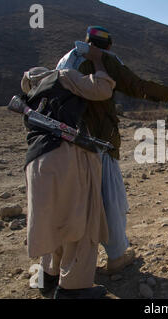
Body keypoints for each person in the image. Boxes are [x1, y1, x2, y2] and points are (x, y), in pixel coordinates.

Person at [57, 26, 168, 274]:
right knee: (110, 200)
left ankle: (67, 265)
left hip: (67, 141)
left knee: (74, 202)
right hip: (99, 141)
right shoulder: (104, 60)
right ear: (109, 47)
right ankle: (115, 256)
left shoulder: (66, 59)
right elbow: (138, 86)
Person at [21, 45, 116, 299]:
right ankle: (73, 289)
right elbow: (102, 89)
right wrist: (97, 62)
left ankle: (48, 277)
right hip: (65, 158)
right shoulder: (64, 76)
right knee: (81, 225)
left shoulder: (33, 92)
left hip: (36, 162)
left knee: (54, 222)